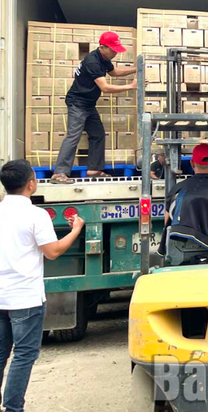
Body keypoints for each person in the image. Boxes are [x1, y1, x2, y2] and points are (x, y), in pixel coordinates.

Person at [0, 159, 85, 412]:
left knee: (1, 354)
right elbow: (52, 252)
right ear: (31, 184)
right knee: (24, 355)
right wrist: (76, 230)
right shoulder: (36, 215)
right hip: (25, 298)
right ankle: (13, 408)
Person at [51, 32, 137, 184]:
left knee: (98, 134)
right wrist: (131, 86)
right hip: (77, 103)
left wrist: (136, 69)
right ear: (102, 47)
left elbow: (114, 72)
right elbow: (105, 88)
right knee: (73, 136)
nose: (116, 53)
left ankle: (94, 170)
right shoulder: (93, 61)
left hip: (88, 104)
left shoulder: (103, 59)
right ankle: (59, 173)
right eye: (113, 50)